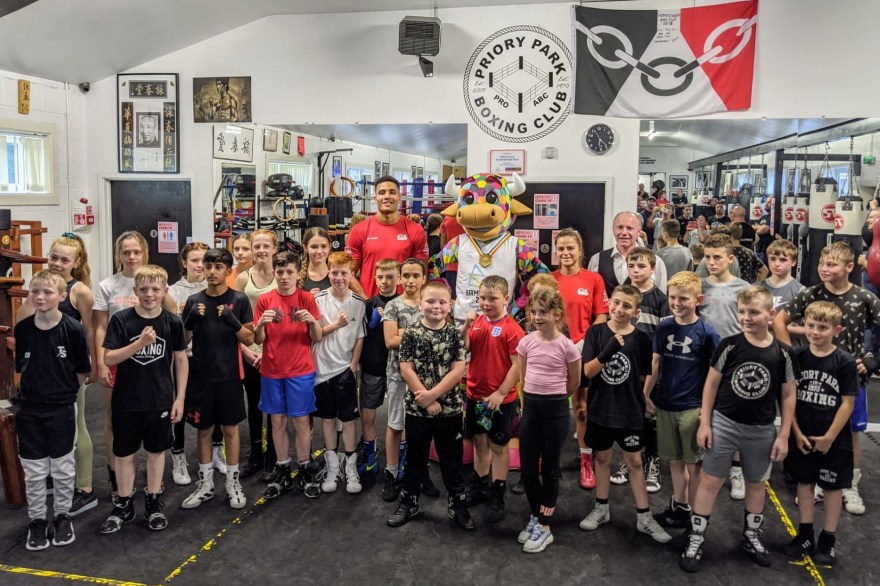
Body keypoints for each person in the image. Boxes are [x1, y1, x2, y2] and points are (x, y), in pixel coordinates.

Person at [680, 287, 796, 573]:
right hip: (724, 423)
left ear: (770, 315)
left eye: (753, 312)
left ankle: (751, 536)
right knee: (710, 481)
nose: (746, 317)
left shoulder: (782, 353)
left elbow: (789, 395)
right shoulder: (730, 345)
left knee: (757, 484)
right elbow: (711, 385)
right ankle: (696, 537)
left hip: (761, 429)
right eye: (742, 312)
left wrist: (783, 435)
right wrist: (705, 422)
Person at [773, 242, 880, 515]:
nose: (824, 269)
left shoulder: (864, 297)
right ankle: (818, 480)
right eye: (822, 263)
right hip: (814, 377)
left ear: (848, 267)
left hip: (848, 377)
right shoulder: (811, 293)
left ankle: (849, 485)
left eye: (831, 264)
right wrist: (792, 357)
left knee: (851, 433)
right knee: (815, 425)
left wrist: (872, 359)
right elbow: (779, 322)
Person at [579, 285, 671, 545]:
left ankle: (644, 516)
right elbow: (587, 372)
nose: (619, 309)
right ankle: (601, 508)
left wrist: (643, 397)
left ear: (636, 312)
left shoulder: (642, 339)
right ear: (610, 303)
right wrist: (607, 352)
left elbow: (644, 373)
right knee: (603, 457)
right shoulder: (596, 332)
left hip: (629, 411)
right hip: (601, 408)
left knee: (634, 462)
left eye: (626, 306)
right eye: (616, 303)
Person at [99, 265, 188, 534]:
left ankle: (153, 501)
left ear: (164, 291)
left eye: (155, 289)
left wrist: (180, 397)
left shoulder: (172, 322)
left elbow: (181, 360)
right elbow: (109, 357)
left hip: (159, 398)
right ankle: (124, 503)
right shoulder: (122, 320)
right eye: (144, 289)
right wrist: (139, 344)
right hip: (126, 399)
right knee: (123, 452)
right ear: (135, 291)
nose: (150, 294)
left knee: (156, 452)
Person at [16, 235, 97, 517]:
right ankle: (51, 479)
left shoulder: (80, 291)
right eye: (54, 257)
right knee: (46, 430)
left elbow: (88, 331)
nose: (58, 263)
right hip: (41, 376)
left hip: (69, 372)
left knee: (77, 425)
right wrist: (33, 294)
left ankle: (85, 487)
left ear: (76, 263)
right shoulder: (38, 290)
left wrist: (92, 367)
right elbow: (22, 325)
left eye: (65, 259)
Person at [387, 280, 470, 530]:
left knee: (452, 461)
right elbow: (406, 367)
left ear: (450, 305)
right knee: (414, 459)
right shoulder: (411, 332)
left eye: (442, 302)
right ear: (421, 303)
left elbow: (458, 369)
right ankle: (409, 502)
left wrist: (433, 396)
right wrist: (425, 399)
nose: (436, 306)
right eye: (431, 301)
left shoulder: (455, 333)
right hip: (417, 409)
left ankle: (458, 506)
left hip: (450, 410)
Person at [782, 301, 858, 567]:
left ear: (836, 330)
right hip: (802, 434)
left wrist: (829, 437)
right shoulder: (798, 357)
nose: (815, 332)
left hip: (833, 440)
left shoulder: (844, 361)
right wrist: (796, 432)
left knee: (832, 487)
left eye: (822, 327)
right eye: (811, 326)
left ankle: (828, 538)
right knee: (804, 483)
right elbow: (789, 398)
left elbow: (848, 403)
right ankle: (804, 533)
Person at [179, 248, 254, 511]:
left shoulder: (239, 299)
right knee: (204, 431)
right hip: (201, 377)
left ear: (228, 270)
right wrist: (190, 319)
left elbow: (250, 338)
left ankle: (232, 482)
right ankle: (206, 483)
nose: (211, 271)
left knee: (231, 429)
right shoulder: (194, 300)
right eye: (207, 266)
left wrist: (232, 320)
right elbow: (183, 341)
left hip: (230, 376)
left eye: (218, 266)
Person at [644, 272, 720, 529]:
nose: (677, 303)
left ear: (698, 299)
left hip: (692, 407)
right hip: (666, 404)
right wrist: (645, 394)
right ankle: (680, 507)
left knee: (694, 465)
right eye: (673, 297)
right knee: (675, 462)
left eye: (684, 298)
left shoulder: (708, 333)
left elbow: (715, 376)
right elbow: (655, 363)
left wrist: (707, 415)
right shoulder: (664, 327)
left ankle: (698, 517)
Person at [515, 289, 581, 553]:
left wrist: (554, 397)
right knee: (528, 469)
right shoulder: (526, 342)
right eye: (534, 312)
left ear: (557, 315)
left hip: (555, 412)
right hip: (531, 409)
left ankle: (545, 524)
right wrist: (526, 405)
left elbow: (574, 381)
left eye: (543, 312)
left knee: (550, 468)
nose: (537, 317)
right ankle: (535, 514)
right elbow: (522, 376)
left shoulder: (567, 346)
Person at [254, 251, 323, 499]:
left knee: (301, 422)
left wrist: (312, 323)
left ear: (297, 274)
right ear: (274, 273)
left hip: (300, 370)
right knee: (277, 422)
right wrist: (260, 324)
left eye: (289, 272)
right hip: (272, 371)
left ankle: (304, 468)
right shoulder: (264, 300)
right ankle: (283, 469)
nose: (284, 277)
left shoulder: (306, 299)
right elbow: (258, 339)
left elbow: (317, 337)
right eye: (280, 272)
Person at [461, 276, 523, 523]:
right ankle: (480, 485)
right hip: (475, 394)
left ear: (506, 299)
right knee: (479, 441)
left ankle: (498, 491)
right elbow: (465, 348)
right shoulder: (476, 322)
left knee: (499, 446)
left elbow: (517, 366)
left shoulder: (512, 329)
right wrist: (466, 327)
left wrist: (499, 393)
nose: (486, 303)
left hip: (501, 399)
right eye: (482, 298)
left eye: (492, 299)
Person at [94, 231, 149, 499]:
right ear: (119, 255)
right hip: (117, 361)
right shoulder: (107, 285)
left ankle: (152, 480)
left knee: (149, 420)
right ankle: (116, 477)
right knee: (114, 419)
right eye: (126, 252)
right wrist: (101, 363)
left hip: (148, 362)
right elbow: (100, 327)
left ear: (144, 253)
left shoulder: (152, 283)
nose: (131, 256)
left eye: (136, 251)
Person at [609, 249, 669, 493]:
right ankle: (629, 460)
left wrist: (652, 378)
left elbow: (661, 343)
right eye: (632, 265)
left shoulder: (661, 300)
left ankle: (652, 462)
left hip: (650, 370)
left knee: (650, 416)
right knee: (629, 418)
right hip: (625, 368)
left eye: (641, 266)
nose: (636, 270)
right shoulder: (621, 293)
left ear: (652, 269)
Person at [552, 228, 608, 491]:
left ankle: (587, 460)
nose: (565, 253)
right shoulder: (548, 281)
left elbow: (602, 316)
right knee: (549, 410)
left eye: (570, 248)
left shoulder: (594, 279)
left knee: (582, 409)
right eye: (560, 248)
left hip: (583, 352)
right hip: (553, 353)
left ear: (579, 250)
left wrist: (585, 343)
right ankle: (547, 460)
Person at [167, 242, 222, 486]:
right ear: (184, 263)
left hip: (211, 358)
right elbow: (170, 327)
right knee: (180, 408)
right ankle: (178, 456)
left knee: (216, 408)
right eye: (195, 261)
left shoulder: (216, 288)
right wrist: (182, 312)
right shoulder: (174, 291)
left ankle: (217, 450)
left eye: (205, 261)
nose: (200, 266)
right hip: (185, 357)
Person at [313, 252, 366, 495]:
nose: (338, 277)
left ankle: (351, 466)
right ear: (328, 273)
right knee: (327, 418)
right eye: (334, 272)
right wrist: (335, 325)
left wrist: (352, 366)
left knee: (348, 419)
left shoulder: (359, 303)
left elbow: (359, 338)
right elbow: (313, 334)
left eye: (344, 273)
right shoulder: (318, 300)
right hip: (322, 368)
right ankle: (333, 466)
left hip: (344, 369)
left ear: (351, 274)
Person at [382, 258, 429, 502]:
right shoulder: (393, 306)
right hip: (398, 376)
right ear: (400, 278)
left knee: (420, 427)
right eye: (406, 275)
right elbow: (390, 341)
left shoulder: (430, 303)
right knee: (395, 423)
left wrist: (405, 332)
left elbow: (441, 332)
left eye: (415, 276)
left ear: (423, 278)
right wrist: (421, 333)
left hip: (427, 376)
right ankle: (390, 472)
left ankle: (418, 472)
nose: (411, 280)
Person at [233, 229, 278, 479]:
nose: (260, 251)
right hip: (250, 350)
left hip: (275, 351)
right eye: (256, 246)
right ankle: (256, 454)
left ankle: (272, 454)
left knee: (272, 405)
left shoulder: (280, 276)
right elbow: (236, 322)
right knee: (254, 404)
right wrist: (246, 350)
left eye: (265, 246)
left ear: (274, 248)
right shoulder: (242, 278)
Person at [347, 175, 428, 298]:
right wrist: (366, 301)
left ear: (399, 197)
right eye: (382, 192)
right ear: (376, 198)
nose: (387, 196)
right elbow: (348, 273)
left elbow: (420, 274)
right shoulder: (359, 230)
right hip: (369, 302)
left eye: (392, 192)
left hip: (403, 306)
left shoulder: (415, 230)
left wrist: (410, 303)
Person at [357, 259, 399, 476]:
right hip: (372, 366)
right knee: (368, 416)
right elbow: (359, 336)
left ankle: (400, 459)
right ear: (375, 278)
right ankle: (371, 457)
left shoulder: (403, 304)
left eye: (390, 277)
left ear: (398, 278)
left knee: (398, 418)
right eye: (381, 277)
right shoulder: (369, 304)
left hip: (398, 371)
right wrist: (371, 323)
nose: (385, 281)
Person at [589, 211, 669, 297]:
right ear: (613, 230)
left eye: (629, 228)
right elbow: (591, 296)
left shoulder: (656, 261)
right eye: (620, 227)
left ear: (638, 232)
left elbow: (661, 300)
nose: (624, 233)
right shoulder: (597, 260)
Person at [300, 226, 365, 297]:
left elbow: (364, 301)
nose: (319, 251)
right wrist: (307, 300)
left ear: (329, 246)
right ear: (305, 248)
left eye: (323, 246)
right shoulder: (298, 276)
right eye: (314, 247)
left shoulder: (343, 273)